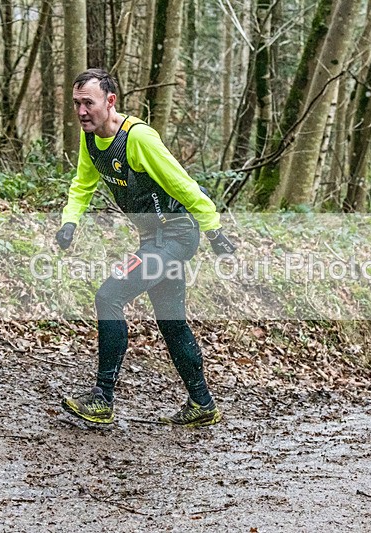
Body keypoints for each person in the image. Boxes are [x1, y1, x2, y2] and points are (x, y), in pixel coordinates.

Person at [56, 69, 236, 427]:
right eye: (76, 103)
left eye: (88, 103)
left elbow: (183, 185)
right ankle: (202, 404)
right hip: (153, 239)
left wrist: (213, 230)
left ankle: (102, 398)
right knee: (172, 322)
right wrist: (69, 221)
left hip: (176, 235)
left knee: (109, 296)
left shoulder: (138, 138)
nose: (81, 111)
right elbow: (82, 184)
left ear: (110, 101)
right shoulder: (91, 139)